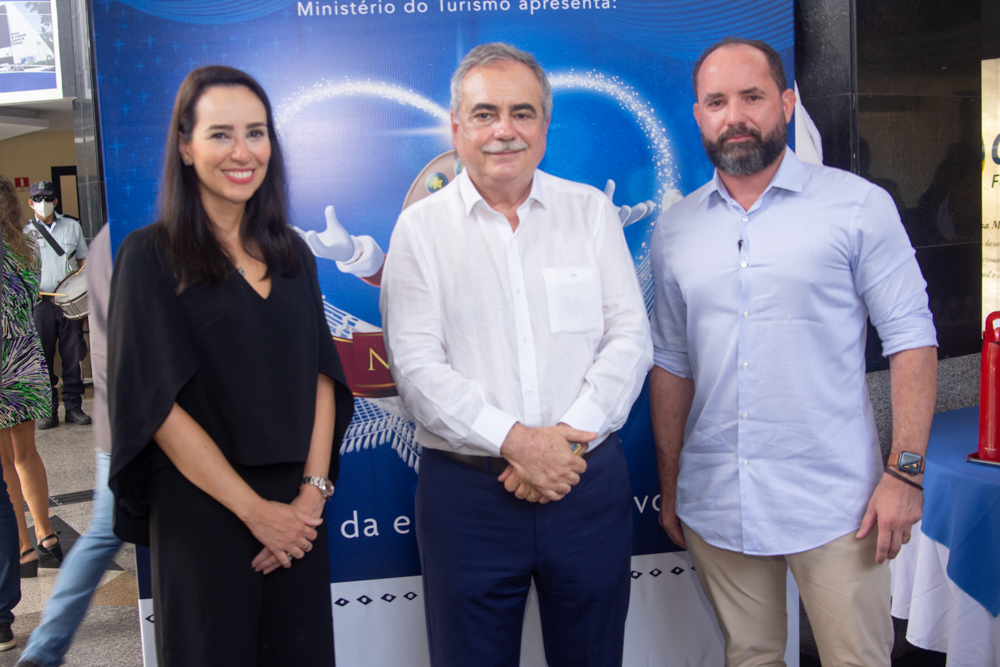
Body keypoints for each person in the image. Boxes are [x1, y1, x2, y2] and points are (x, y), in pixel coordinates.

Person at [649, 37, 938, 667]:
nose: (736, 115)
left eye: (752, 97)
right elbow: (671, 363)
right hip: (718, 498)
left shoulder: (857, 206)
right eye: (717, 101)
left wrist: (906, 472)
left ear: (785, 102)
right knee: (750, 657)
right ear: (698, 114)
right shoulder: (675, 231)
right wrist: (672, 486)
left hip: (840, 505)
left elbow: (912, 339)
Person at [380, 43, 652, 666]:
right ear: (456, 126)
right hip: (468, 501)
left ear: (545, 126)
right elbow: (417, 371)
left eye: (522, 113)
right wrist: (519, 444)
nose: (505, 130)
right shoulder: (419, 232)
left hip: (585, 485)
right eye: (484, 114)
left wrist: (565, 443)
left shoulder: (589, 212)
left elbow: (629, 339)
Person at [107, 66, 354, 666]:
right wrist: (255, 514)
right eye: (220, 134)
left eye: (257, 132)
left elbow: (323, 375)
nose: (242, 152)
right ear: (186, 148)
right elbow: (156, 407)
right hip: (205, 512)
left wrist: (310, 499)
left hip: (298, 515)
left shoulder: (292, 253)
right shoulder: (149, 257)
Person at [16, 224, 120, 667]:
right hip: (146, 418)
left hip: (118, 415)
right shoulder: (141, 238)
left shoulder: (100, 239)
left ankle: (43, 648)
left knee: (104, 530)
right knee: (105, 530)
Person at [0, 175, 64, 578]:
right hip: (24, 356)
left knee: (3, 459)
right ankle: (46, 534)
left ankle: (21, 544)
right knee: (27, 454)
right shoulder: (27, 247)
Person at [23, 181, 90, 429]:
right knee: (43, 357)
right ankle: (48, 410)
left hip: (68, 302)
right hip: (40, 302)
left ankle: (73, 407)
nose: (43, 202)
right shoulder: (24, 232)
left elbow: (83, 260)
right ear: (30, 203)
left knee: (73, 356)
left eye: (47, 197)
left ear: (56, 201)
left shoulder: (72, 226)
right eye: (38, 198)